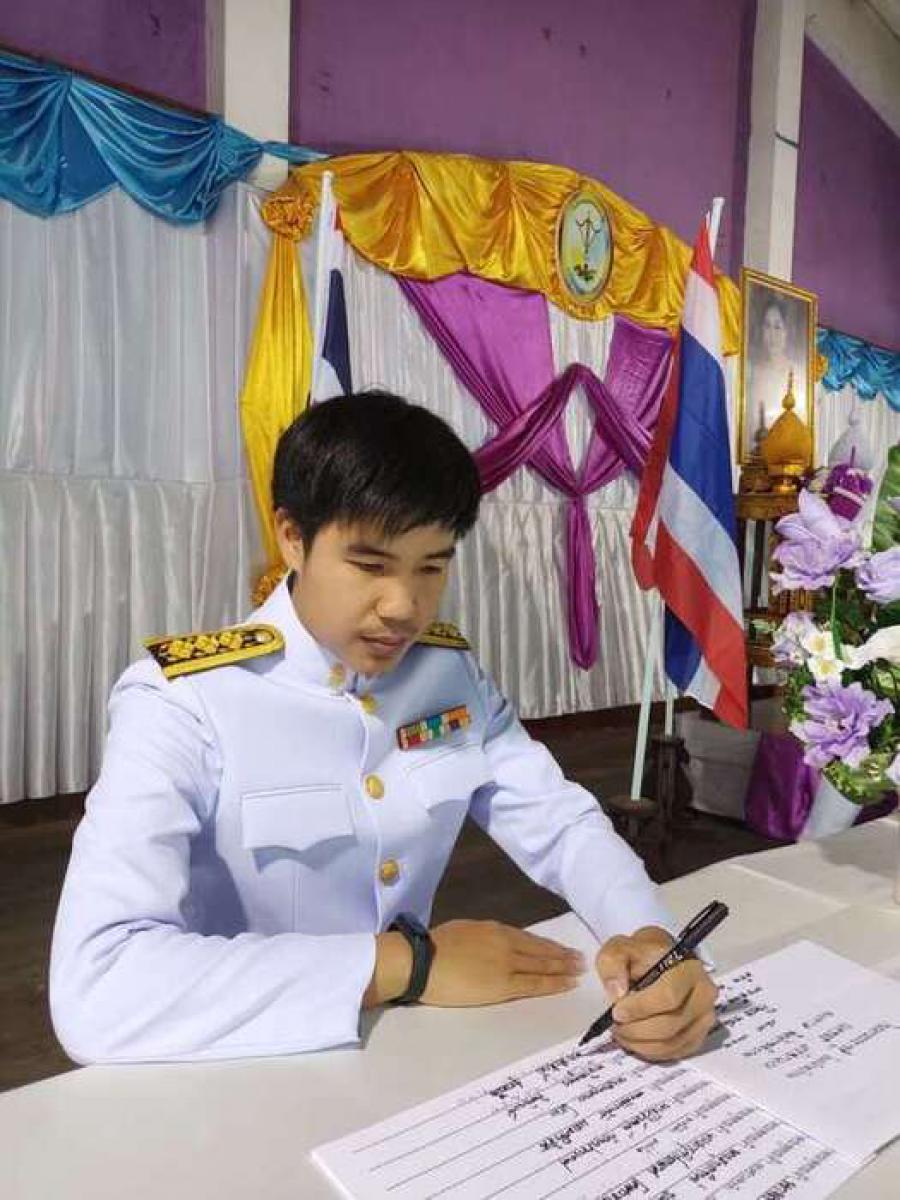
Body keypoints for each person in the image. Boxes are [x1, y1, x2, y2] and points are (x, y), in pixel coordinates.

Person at [50, 391, 717, 1065]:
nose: (403, 606)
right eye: (370, 565)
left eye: (432, 566)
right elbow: (97, 988)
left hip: (402, 1053)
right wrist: (408, 965)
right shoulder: (183, 700)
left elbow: (561, 825)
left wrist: (650, 936)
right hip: (237, 1058)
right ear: (292, 537)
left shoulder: (449, 675)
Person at [746, 295, 800, 456]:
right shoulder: (753, 373)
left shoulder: (797, 374)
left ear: (787, 332)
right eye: (767, 326)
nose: (772, 334)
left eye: (777, 327)